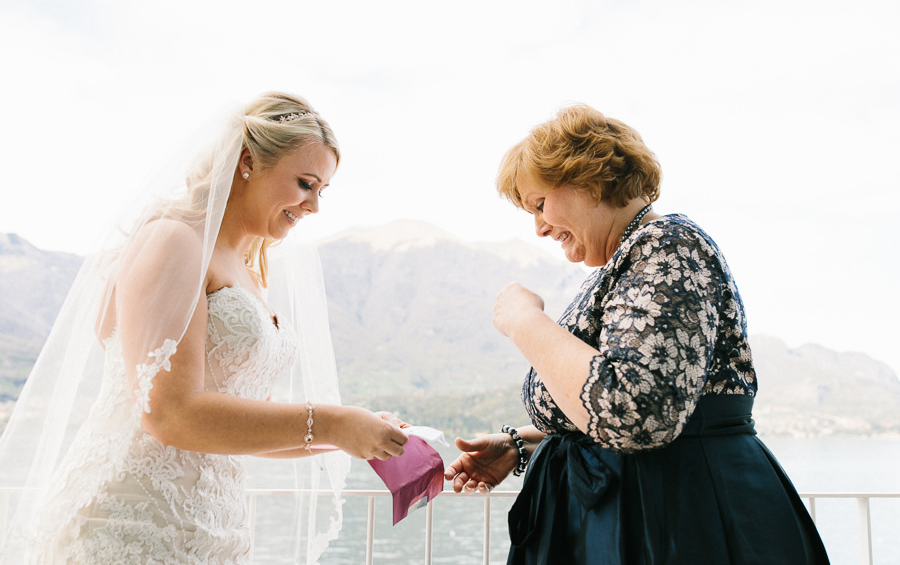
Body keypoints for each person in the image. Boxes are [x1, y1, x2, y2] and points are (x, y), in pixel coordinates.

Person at [0, 91, 408, 564]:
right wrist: (335, 422)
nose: (314, 205)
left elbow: (240, 418)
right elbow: (168, 412)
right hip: (132, 526)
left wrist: (354, 431)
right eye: (304, 183)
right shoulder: (175, 239)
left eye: (321, 191)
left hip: (211, 532)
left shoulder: (247, 270)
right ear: (248, 161)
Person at [444, 104, 829, 564]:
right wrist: (522, 444)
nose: (539, 227)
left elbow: (635, 412)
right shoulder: (629, 258)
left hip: (669, 519)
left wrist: (525, 322)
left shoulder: (668, 245)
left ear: (587, 178)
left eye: (540, 204)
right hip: (635, 514)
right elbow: (619, 401)